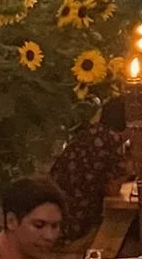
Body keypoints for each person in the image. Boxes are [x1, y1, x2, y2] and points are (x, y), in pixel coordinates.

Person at [50, 95, 130, 241]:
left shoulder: (91, 131)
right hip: (75, 218)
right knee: (125, 226)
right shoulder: (112, 138)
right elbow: (112, 190)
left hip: (57, 211)